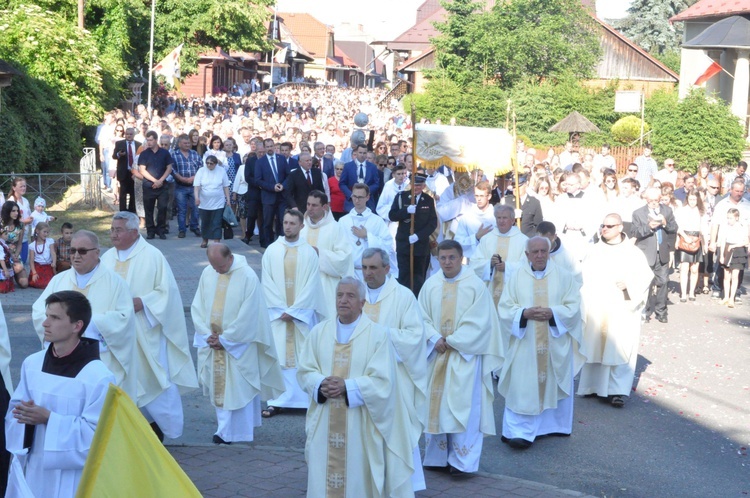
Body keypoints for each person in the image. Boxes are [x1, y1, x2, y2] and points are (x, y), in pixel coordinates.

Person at [297, 277, 414, 497]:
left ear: (362, 303)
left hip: (360, 424)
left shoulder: (378, 336)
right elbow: (304, 371)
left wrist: (347, 387)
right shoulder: (319, 332)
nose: (343, 300)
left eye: (350, 296)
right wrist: (320, 384)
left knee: (356, 479)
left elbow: (384, 381)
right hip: (324, 420)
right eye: (340, 295)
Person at [5, 290, 116, 498]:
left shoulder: (98, 377)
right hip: (36, 469)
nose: (45, 323)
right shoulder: (32, 364)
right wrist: (22, 416)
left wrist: (48, 418)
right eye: (46, 316)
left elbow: (99, 437)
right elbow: (15, 413)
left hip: (74, 478)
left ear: (77, 326)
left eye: (55, 318)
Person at [100, 212, 198, 441]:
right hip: (115, 334)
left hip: (145, 331)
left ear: (134, 233)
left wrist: (143, 302)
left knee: (153, 379)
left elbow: (168, 293)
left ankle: (162, 429)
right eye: (112, 229)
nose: (113, 234)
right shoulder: (106, 258)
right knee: (118, 379)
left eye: (118, 230)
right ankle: (125, 430)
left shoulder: (153, 256)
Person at [416, 239, 505, 476]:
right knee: (436, 405)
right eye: (442, 258)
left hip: (464, 356)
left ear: (461, 258)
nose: (446, 262)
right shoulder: (431, 284)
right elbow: (420, 317)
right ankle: (437, 457)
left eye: (451, 257)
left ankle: (463, 462)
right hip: (436, 353)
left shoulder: (475, 286)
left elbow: (481, 322)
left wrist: (452, 340)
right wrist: (434, 337)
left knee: (464, 407)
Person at [191, 243, 284, 444]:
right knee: (220, 387)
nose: (217, 271)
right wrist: (207, 334)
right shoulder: (208, 273)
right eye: (214, 266)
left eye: (220, 267)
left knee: (239, 386)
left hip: (239, 345)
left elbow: (250, 314)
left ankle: (238, 431)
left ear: (230, 258)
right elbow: (198, 305)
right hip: (214, 342)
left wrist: (226, 339)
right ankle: (224, 430)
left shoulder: (248, 276)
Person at [497, 236, 585, 449]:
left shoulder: (564, 277)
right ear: (527, 254)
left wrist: (553, 313)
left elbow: (574, 307)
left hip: (554, 342)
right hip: (525, 342)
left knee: (551, 383)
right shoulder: (516, 277)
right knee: (522, 386)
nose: (539, 255)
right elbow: (505, 308)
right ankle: (518, 431)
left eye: (543, 251)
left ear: (549, 252)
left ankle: (552, 426)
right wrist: (524, 313)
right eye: (534, 252)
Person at [31, 230, 137, 400]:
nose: (76, 256)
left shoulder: (116, 283)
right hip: (63, 361)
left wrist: (89, 324)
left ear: (97, 252)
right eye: (72, 251)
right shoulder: (59, 280)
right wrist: (61, 326)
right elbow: (38, 311)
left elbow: (125, 318)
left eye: (82, 251)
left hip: (100, 361)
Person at [360, 247, 427, 490]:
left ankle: (403, 484)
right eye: (364, 268)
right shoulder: (356, 296)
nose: (368, 273)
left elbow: (414, 337)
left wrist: (375, 335)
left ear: (387, 269)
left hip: (394, 381)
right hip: (363, 378)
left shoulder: (403, 296)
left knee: (397, 431)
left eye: (373, 268)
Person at [577, 214, 652, 407]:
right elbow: (581, 277)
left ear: (620, 227)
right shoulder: (593, 251)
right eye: (603, 225)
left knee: (619, 346)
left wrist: (629, 286)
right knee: (595, 344)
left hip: (621, 307)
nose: (605, 229)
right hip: (597, 305)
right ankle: (592, 386)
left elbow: (645, 278)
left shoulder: (632, 253)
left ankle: (617, 391)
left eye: (610, 226)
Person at [261, 209, 326, 418]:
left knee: (302, 356)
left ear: (301, 227)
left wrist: (296, 311)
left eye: (292, 223)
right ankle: (277, 400)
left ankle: (304, 401)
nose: (288, 226)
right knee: (279, 355)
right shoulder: (271, 250)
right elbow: (267, 282)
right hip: (278, 315)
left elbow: (312, 284)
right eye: (285, 222)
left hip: (300, 317)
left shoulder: (308, 252)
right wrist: (281, 309)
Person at [300, 190, 354, 318]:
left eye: (314, 205)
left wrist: (320, 254)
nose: (309, 208)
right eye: (308, 204)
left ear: (325, 207)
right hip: (302, 284)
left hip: (325, 285)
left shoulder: (335, 228)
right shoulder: (301, 228)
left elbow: (344, 258)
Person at [631, 188, 678, 323]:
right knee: (645, 283)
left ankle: (661, 311)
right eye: (650, 201)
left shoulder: (667, 211)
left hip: (662, 252)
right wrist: (649, 227)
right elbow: (634, 232)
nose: (653, 203)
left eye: (656, 200)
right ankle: (644, 311)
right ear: (646, 200)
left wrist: (665, 223)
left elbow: (674, 228)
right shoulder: (638, 213)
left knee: (663, 282)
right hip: (645, 252)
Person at [469, 204, 528, 308]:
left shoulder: (524, 240)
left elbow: (527, 265)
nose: (501, 221)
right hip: (490, 290)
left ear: (512, 220)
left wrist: (507, 267)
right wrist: (489, 264)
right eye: (499, 218)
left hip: (512, 291)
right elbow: (474, 263)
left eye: (505, 218)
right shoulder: (486, 239)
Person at [389, 174, 437, 297]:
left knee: (419, 278)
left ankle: (417, 302)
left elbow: (432, 223)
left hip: (421, 246)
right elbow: (392, 216)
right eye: (414, 184)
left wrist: (418, 236)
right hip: (404, 245)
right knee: (404, 276)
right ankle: (404, 301)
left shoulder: (428, 200)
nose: (416, 187)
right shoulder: (402, 197)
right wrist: (406, 211)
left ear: (424, 186)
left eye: (419, 185)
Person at [339, 184, 394, 280]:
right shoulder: (343, 221)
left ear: (367, 197)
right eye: (354, 196)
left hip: (371, 273)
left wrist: (367, 236)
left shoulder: (377, 221)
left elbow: (388, 246)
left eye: (360, 197)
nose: (357, 200)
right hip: (349, 272)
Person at [138, 130, 174, 240]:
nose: (149, 142)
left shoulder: (164, 153)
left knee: (163, 207)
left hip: (163, 185)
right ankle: (150, 231)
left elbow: (169, 168)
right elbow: (142, 170)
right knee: (148, 209)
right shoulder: (144, 154)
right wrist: (155, 181)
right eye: (147, 140)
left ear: (156, 140)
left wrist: (161, 181)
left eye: (151, 140)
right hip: (149, 185)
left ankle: (161, 229)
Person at [255, 138, 290, 247]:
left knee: (281, 221)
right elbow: (258, 180)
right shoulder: (260, 162)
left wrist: (282, 185)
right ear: (264, 148)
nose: (270, 148)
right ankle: (268, 245)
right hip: (268, 196)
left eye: (271, 146)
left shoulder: (282, 159)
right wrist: (272, 187)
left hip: (282, 196)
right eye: (267, 146)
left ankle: (281, 244)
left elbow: (288, 175)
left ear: (274, 146)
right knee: (268, 222)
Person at [194, 155, 231, 248]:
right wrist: (196, 198)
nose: (209, 165)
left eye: (211, 163)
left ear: (215, 164)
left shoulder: (221, 171)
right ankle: (205, 240)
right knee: (205, 222)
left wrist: (228, 200)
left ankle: (216, 241)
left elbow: (225, 186)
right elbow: (196, 186)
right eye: (207, 163)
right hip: (204, 202)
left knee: (216, 222)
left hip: (218, 202)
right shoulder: (201, 171)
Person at [453, 181, 496, 261]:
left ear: (489, 196)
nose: (479, 199)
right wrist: (476, 237)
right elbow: (458, 243)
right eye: (476, 196)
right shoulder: (467, 217)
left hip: (492, 262)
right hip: (472, 262)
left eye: (482, 196)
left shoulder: (497, 217)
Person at [675, 190, 706, 302]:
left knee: (694, 268)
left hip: (697, 239)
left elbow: (703, 229)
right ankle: (683, 293)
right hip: (685, 237)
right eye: (690, 199)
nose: (692, 202)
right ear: (687, 199)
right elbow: (678, 226)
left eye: (694, 199)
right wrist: (684, 237)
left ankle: (691, 292)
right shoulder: (682, 210)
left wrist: (705, 244)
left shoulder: (701, 211)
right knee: (684, 267)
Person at [171, 134, 202, 239]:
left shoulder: (194, 154)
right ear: (179, 144)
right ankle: (182, 229)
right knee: (182, 209)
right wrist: (181, 178)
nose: (187, 145)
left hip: (194, 186)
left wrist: (194, 177)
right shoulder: (174, 155)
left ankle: (194, 226)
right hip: (180, 186)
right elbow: (172, 169)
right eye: (185, 143)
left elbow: (200, 167)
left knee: (196, 208)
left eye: (188, 143)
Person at [717, 208, 749, 307]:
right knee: (726, 276)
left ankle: (732, 298)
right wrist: (722, 254)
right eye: (728, 218)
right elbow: (723, 241)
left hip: (738, 251)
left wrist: (734, 246)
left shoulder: (742, 227)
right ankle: (726, 297)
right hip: (727, 249)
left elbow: (746, 241)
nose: (729, 220)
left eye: (731, 218)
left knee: (735, 276)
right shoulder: (725, 227)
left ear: (736, 218)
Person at [340, 143, 381, 212]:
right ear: (356, 153)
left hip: (368, 202)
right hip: (351, 202)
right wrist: (350, 195)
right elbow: (342, 183)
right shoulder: (348, 166)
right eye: (360, 152)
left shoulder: (372, 167)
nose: (362, 155)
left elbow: (376, 183)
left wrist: (366, 192)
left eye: (364, 153)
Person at [111, 127, 140, 212]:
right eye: (127, 134)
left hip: (134, 172)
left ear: (134, 135)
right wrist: (119, 154)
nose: (128, 136)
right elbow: (114, 156)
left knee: (133, 193)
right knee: (123, 193)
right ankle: (123, 212)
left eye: (130, 134)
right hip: (124, 171)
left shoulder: (139, 144)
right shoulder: (119, 143)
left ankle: (132, 211)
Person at [28, 222, 56, 289]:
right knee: (37, 283)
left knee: (48, 283)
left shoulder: (50, 241)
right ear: (37, 231)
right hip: (38, 267)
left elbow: (53, 253)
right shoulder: (32, 245)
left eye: (47, 232)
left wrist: (54, 262)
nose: (46, 234)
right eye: (44, 232)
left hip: (48, 266)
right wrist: (34, 273)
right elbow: (31, 261)